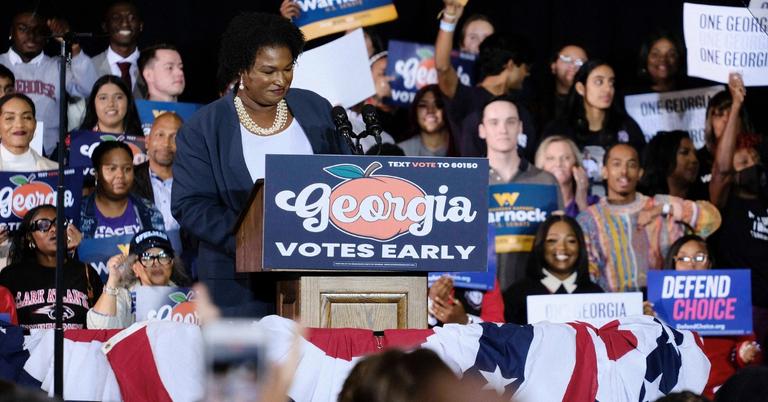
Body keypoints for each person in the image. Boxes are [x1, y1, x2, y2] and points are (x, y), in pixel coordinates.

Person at [172, 12, 350, 317]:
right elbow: (190, 205)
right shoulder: (205, 126)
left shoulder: (316, 109)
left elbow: (346, 180)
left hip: (316, 280)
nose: (281, 80)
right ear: (242, 69)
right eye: (268, 71)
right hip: (237, 287)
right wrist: (254, 238)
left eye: (287, 68)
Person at [576, 143, 721, 293]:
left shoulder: (660, 206)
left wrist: (663, 208)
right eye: (616, 164)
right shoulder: (589, 220)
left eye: (631, 165)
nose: (624, 172)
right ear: (604, 171)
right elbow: (587, 276)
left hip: (663, 308)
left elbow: (713, 220)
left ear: (640, 173)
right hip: (613, 310)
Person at [707, 72, 768, 351]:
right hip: (744, 309)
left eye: (755, 159)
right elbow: (721, 169)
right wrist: (735, 106)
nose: (751, 164)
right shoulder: (724, 203)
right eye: (743, 160)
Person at [662, 235, 763, 400]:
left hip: (722, 390)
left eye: (699, 257)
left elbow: (754, 352)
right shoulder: (656, 306)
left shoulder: (732, 300)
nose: (691, 264)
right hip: (675, 392)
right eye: (683, 258)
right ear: (673, 263)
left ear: (709, 263)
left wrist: (742, 354)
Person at [434, 0, 536, 159]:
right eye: (525, 68)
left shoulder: (521, 110)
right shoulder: (465, 97)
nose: (526, 74)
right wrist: (449, 18)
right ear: (511, 65)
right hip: (471, 182)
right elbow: (442, 68)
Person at [480, 95, 562, 292]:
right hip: (483, 295)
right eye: (494, 122)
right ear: (482, 130)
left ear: (520, 127)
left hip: (537, 293)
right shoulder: (468, 182)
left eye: (510, 122)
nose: (503, 129)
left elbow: (559, 238)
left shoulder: (546, 181)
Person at [543, 60, 646, 197]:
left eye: (611, 83)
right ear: (580, 88)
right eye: (599, 82)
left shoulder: (627, 128)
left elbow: (643, 172)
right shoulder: (560, 129)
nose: (607, 89)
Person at [0, 10, 97, 155]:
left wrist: (73, 46)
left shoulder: (58, 66)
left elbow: (89, 88)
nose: (31, 36)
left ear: (47, 37)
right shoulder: (1, 63)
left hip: (50, 155)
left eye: (38, 31)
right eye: (23, 29)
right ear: (11, 33)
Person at [0, 205, 96, 330]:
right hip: (28, 349)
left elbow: (100, 322)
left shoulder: (85, 271)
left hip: (77, 348)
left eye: (59, 222)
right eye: (43, 225)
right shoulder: (11, 276)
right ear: (29, 236)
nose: (53, 229)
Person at [503, 215, 603, 324]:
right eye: (552, 240)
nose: (562, 247)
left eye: (571, 241)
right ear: (540, 245)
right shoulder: (517, 295)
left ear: (580, 246)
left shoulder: (596, 295)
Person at [86, 229, 189, 329]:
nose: (156, 263)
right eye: (147, 257)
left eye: (163, 256)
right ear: (134, 267)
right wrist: (112, 281)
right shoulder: (124, 297)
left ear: (172, 263)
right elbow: (100, 329)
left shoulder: (186, 297)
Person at [0, 93, 58, 269]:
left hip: (44, 270)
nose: (19, 124)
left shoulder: (55, 171)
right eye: (10, 118)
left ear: (34, 124)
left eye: (26, 117)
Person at [78, 141, 164, 242]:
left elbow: (161, 251)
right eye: (112, 169)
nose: (120, 175)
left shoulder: (149, 210)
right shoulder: (79, 213)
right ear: (97, 174)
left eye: (127, 169)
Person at [90, 1, 144, 98]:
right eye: (116, 18)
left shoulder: (153, 66)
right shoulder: (89, 67)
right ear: (105, 26)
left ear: (140, 26)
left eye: (132, 18)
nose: (124, 23)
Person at [534, 135, 596, 217]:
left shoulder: (595, 203)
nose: (558, 164)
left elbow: (593, 229)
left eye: (566, 158)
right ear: (541, 166)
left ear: (576, 165)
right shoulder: (530, 206)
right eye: (550, 158)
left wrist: (582, 202)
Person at [531, 44, 589, 131]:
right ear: (553, 65)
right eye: (566, 59)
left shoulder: (593, 102)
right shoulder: (536, 103)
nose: (573, 66)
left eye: (580, 62)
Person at [640, 130, 706, 200]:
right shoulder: (644, 201)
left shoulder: (703, 201)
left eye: (695, 154)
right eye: (684, 153)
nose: (694, 160)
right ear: (665, 158)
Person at [397, 85, 456, 157]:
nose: (430, 110)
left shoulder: (464, 147)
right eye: (423, 105)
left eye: (438, 104)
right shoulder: (400, 151)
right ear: (415, 111)